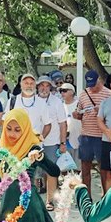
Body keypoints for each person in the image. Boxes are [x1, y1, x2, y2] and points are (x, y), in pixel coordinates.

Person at [74, 70, 111, 193]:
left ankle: (105, 196)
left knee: (103, 169)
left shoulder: (108, 94)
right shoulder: (83, 94)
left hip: (102, 136)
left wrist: (102, 111)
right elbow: (79, 112)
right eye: (89, 85)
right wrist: (77, 115)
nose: (92, 88)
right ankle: (87, 196)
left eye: (94, 84)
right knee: (85, 167)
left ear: (99, 80)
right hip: (86, 135)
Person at [36, 75, 68, 209]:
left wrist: (63, 143)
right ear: (38, 87)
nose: (44, 88)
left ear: (50, 87)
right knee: (35, 173)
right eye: (42, 85)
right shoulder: (32, 100)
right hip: (34, 142)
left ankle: (49, 201)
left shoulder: (57, 102)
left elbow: (63, 123)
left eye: (47, 86)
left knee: (51, 172)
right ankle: (35, 202)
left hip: (52, 142)